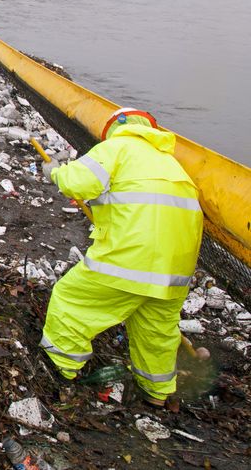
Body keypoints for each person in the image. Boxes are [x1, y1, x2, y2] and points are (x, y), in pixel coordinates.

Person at [40, 107, 203, 407]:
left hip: (130, 259)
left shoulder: (119, 147)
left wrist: (55, 172)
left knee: (71, 300)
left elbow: (78, 180)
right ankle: (158, 394)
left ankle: (62, 369)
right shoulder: (172, 165)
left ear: (115, 127)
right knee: (157, 331)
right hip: (175, 271)